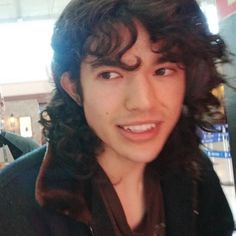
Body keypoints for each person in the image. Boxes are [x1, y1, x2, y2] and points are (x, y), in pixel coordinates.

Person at [0, 0, 234, 235]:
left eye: (162, 70)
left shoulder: (194, 171)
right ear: (74, 87)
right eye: (110, 75)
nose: (143, 102)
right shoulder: (14, 202)